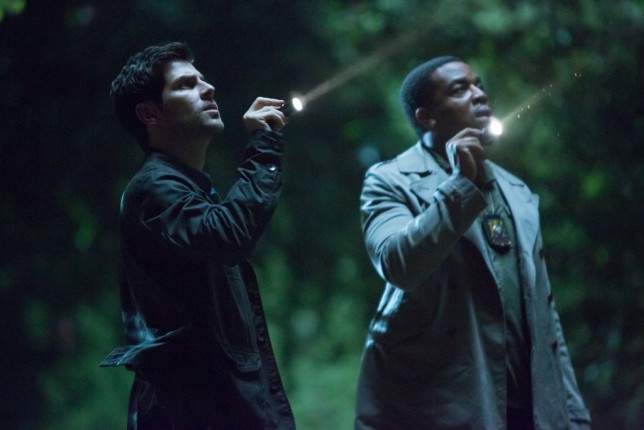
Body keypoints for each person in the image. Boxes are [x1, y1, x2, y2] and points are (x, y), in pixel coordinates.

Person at [354, 56, 591, 429]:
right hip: (441, 409)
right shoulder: (390, 181)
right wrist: (461, 184)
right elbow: (397, 265)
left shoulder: (516, 190)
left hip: (529, 412)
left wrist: (574, 416)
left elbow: (545, 317)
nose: (479, 95)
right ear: (427, 117)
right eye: (459, 89)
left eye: (478, 85)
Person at [100, 41, 295, 430]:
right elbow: (229, 234)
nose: (208, 89)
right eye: (186, 85)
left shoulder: (186, 189)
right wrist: (263, 146)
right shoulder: (153, 189)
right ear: (149, 113)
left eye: (203, 81)